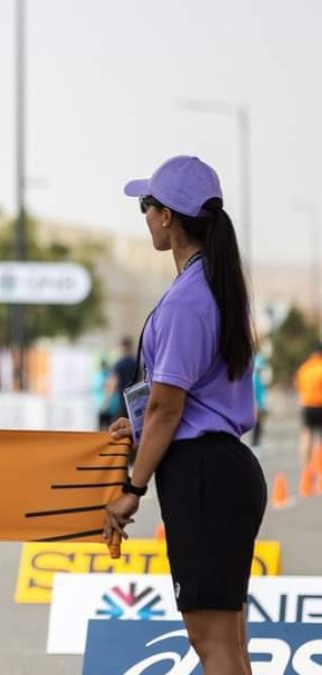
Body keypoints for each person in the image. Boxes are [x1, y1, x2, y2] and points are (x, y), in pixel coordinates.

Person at [104, 156, 265, 675]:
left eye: (146, 205)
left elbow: (168, 406)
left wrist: (133, 487)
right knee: (228, 644)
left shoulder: (188, 300)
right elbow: (179, 400)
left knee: (212, 643)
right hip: (221, 470)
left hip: (202, 476)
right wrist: (140, 425)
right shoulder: (214, 287)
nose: (144, 215)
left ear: (168, 216)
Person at [295, 342, 322, 472]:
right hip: (320, 405)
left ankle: (306, 466)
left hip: (307, 405)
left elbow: (299, 387)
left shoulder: (304, 368)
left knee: (307, 435)